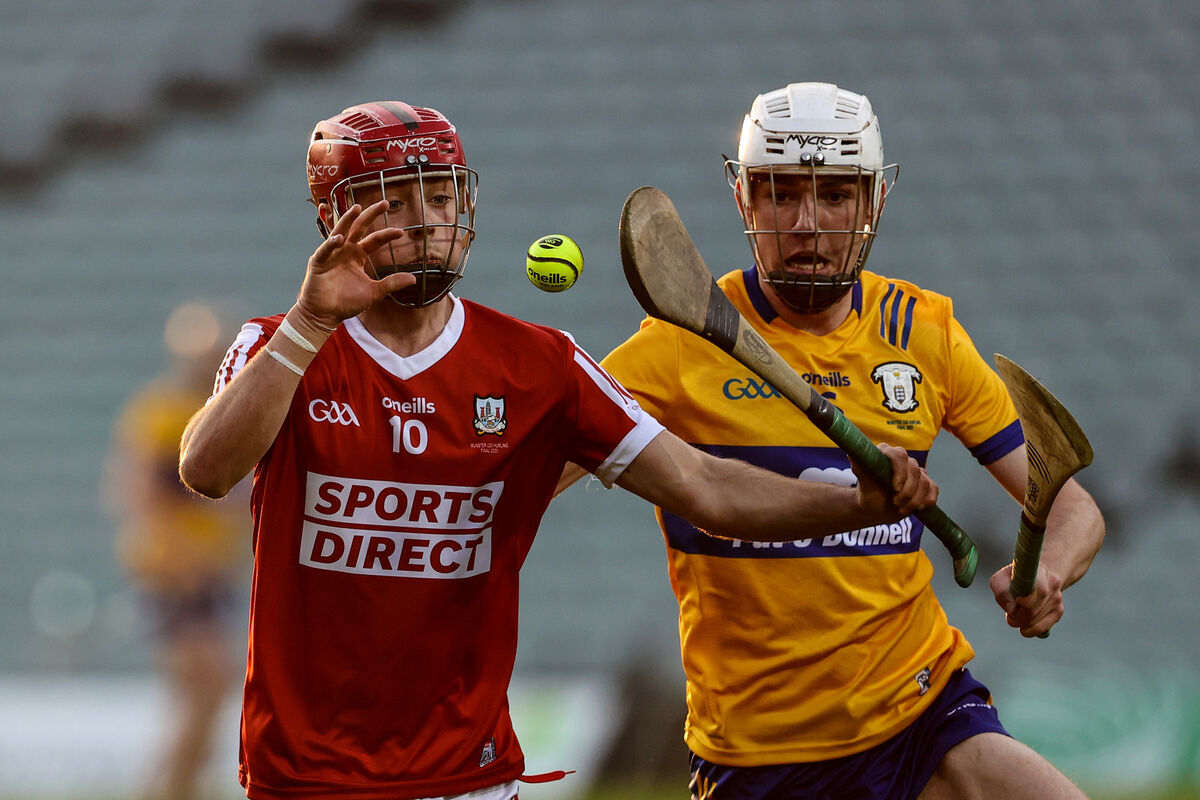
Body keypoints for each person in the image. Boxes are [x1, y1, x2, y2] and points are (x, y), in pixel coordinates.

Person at [176, 100, 939, 800]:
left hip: (469, 775)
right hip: (306, 778)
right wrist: (310, 324)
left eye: (439, 197)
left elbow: (706, 488)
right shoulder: (278, 347)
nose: (425, 222)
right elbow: (206, 470)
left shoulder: (540, 365)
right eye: (395, 202)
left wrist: (855, 503)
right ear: (333, 217)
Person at [560, 83, 1105, 799]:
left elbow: (1073, 508)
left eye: (836, 196)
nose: (808, 224)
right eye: (781, 194)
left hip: (920, 712)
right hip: (758, 756)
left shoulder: (924, 332)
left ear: (873, 202)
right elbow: (528, 470)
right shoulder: (681, 344)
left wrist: (1047, 571)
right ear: (744, 201)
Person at [104, 301, 249, 800]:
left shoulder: (227, 413)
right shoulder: (164, 413)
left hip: (209, 573)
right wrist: (179, 558)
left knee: (204, 697)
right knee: (206, 688)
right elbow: (139, 493)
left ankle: (174, 787)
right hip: (176, 575)